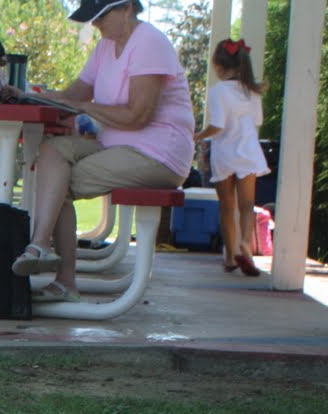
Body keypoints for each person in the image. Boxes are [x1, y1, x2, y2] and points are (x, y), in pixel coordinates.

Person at [10, 0, 194, 303]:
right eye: (92, 19)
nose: (95, 25)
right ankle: (42, 247)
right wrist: (24, 96)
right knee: (52, 151)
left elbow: (139, 116)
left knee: (59, 184)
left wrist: (86, 107)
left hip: (159, 153)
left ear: (127, 8)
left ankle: (62, 276)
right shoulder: (105, 47)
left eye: (101, 16)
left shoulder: (150, 42)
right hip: (117, 144)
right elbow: (72, 97)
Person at [195, 38, 267, 277]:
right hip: (248, 150)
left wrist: (199, 136)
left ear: (218, 65)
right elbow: (257, 121)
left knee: (227, 206)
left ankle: (229, 255)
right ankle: (246, 242)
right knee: (248, 205)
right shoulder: (252, 90)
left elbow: (217, 125)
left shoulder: (218, 92)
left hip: (225, 153)